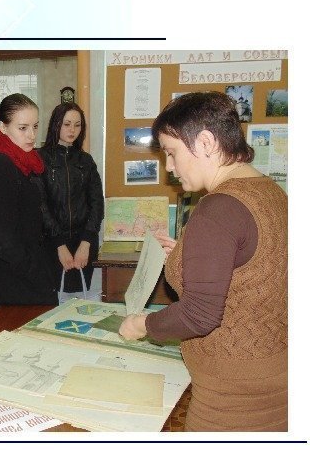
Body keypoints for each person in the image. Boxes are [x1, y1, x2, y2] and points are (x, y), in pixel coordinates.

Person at [119, 91, 287, 431]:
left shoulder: (217, 209)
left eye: (171, 152)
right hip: (277, 372)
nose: (169, 167)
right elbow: (253, 267)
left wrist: (142, 325)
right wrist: (187, 254)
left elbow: (199, 315)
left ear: (206, 142)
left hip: (232, 398)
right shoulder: (271, 192)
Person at [0, 93, 56, 314]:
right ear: (3, 127)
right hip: (12, 279)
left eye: (35, 127)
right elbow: (2, 240)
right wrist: (35, 270)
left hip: (24, 271)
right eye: (23, 128)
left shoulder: (22, 161)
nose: (31, 135)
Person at [38, 103, 104, 295]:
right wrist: (59, 245)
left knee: (81, 299)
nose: (72, 130)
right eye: (66, 124)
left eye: (77, 125)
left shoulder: (86, 161)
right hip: (52, 244)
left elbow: (97, 203)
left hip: (83, 243)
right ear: (56, 124)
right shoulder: (40, 158)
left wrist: (86, 242)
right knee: (53, 300)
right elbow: (41, 205)